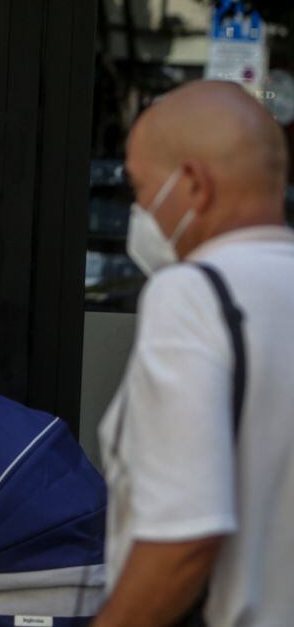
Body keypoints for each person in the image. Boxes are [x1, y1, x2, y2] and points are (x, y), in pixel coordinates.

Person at [94, 80, 294, 627]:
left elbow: (184, 541)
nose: (138, 210)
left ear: (194, 186)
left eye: (140, 188)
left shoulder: (193, 296)